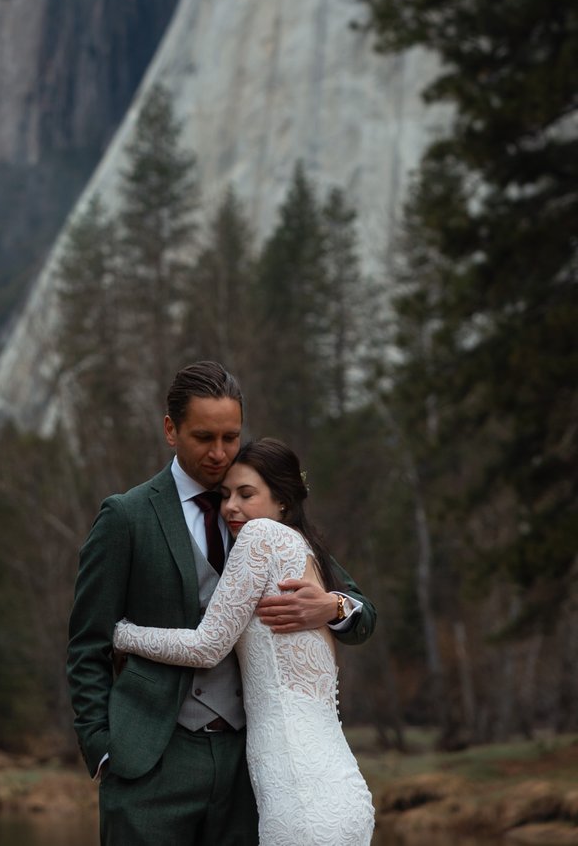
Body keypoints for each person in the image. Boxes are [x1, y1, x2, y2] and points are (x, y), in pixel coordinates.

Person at [67, 361, 375, 846]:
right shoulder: (126, 516)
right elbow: (88, 643)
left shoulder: (262, 512)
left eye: (231, 437)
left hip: (247, 767)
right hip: (151, 759)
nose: (219, 453)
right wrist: (105, 749)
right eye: (204, 437)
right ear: (171, 430)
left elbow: (361, 610)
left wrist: (332, 607)